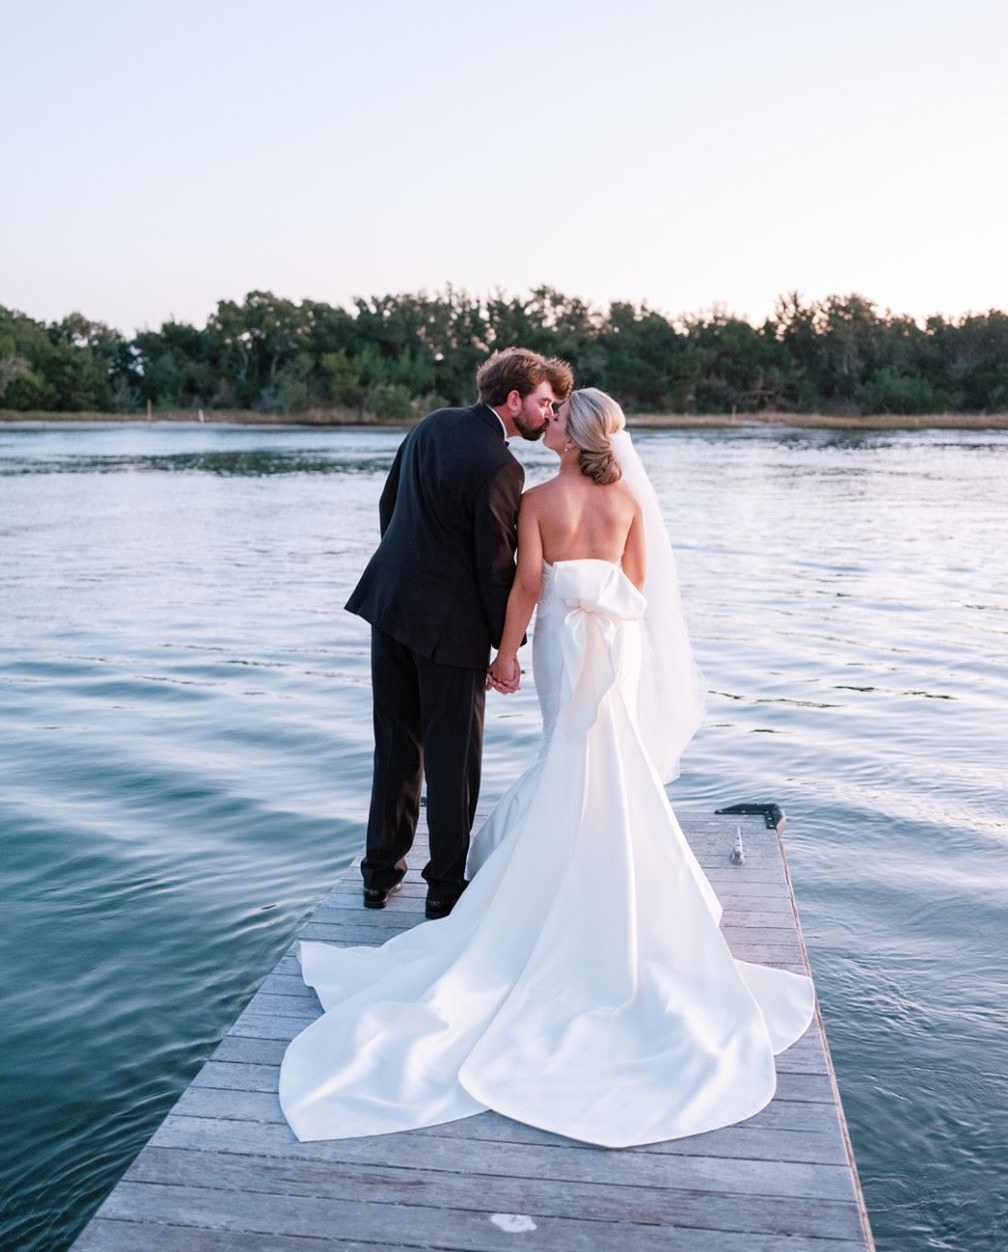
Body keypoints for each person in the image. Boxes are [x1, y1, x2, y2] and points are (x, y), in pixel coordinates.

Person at [280, 388, 816, 1148]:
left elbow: (528, 586)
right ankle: (619, 870)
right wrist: (607, 626)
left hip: (564, 639)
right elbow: (636, 587)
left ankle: (523, 879)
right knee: (612, 752)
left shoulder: (536, 500)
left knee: (569, 750)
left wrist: (505, 655)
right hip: (615, 643)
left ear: (573, 438)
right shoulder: (628, 497)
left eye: (561, 416)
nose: (550, 419)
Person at [344, 348, 573, 920]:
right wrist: (508, 648)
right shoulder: (501, 466)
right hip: (450, 630)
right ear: (513, 398)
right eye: (543, 402)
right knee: (453, 758)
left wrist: (407, 567)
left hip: (390, 605)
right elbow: (495, 567)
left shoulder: (431, 425)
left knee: (395, 746)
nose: (548, 415)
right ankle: (445, 886)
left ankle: (378, 876)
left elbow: (388, 503)